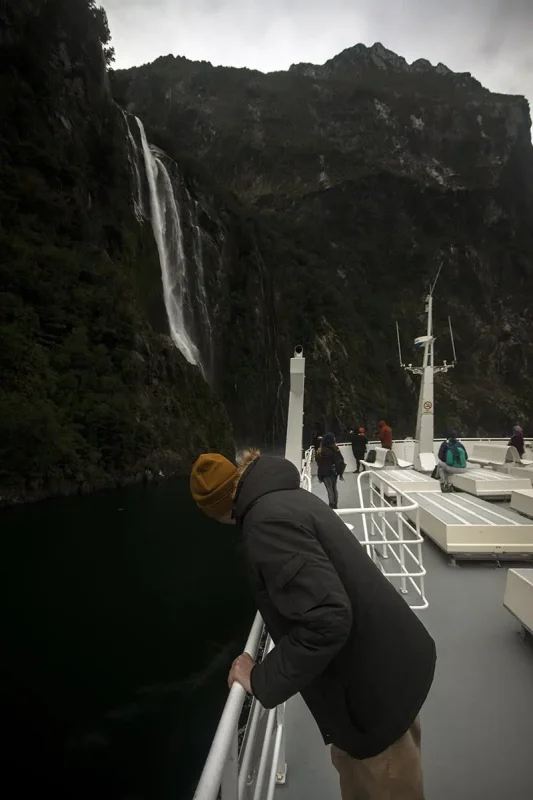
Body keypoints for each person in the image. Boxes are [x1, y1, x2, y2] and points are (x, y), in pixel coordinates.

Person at [190, 449, 436, 800]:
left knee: (385, 777)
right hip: (387, 671)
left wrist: (260, 677)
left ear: (214, 511)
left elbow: (328, 618)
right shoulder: (285, 496)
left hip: (372, 695)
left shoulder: (265, 525)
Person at [315, 432, 346, 509]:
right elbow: (340, 459)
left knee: (329, 489)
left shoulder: (321, 450)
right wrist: (340, 472)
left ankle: (331, 505)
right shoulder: (335, 448)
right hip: (334, 471)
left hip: (325, 472)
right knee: (334, 487)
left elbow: (318, 461)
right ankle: (335, 504)